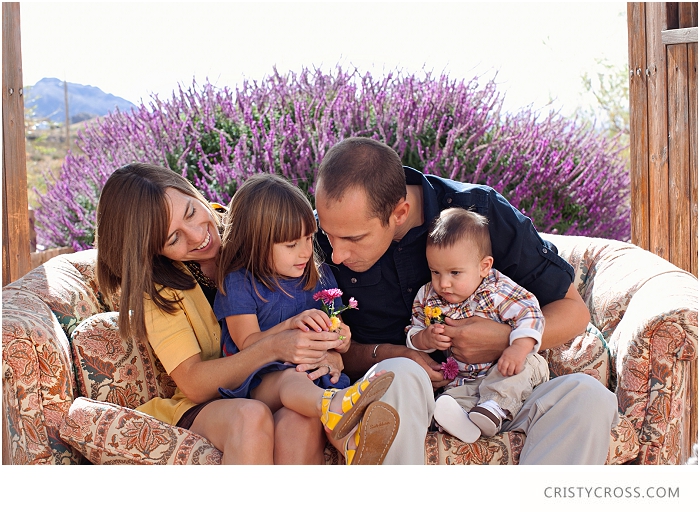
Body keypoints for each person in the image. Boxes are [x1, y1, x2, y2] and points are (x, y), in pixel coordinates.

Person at [314, 136, 620, 464]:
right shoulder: (319, 244)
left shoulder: (480, 212)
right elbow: (331, 353)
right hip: (397, 398)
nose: (337, 253)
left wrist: (503, 340)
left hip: (492, 395)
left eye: (354, 239)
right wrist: (391, 353)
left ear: (400, 212)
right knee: (400, 374)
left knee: (588, 399)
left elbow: (573, 311)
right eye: (328, 233)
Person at [95, 163, 396, 465]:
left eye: (191, 212)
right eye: (173, 238)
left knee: (301, 419)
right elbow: (196, 384)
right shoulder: (157, 289)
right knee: (250, 416)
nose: (198, 234)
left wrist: (329, 352)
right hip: (217, 401)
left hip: (285, 382)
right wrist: (278, 346)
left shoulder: (253, 227)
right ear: (151, 248)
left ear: (191, 191)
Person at [213, 174, 398, 464]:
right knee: (293, 379)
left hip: (315, 379)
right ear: (255, 244)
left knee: (310, 409)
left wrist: (341, 339)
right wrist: (289, 326)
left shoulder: (318, 273)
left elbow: (336, 334)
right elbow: (247, 343)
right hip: (262, 384)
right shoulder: (241, 282)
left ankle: (353, 445)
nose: (304, 251)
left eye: (309, 238)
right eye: (290, 245)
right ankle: (336, 408)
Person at [406, 207, 549, 443]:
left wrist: (518, 348)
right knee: (449, 398)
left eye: (455, 273)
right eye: (435, 271)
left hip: (506, 368)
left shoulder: (496, 289)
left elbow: (530, 312)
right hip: (466, 379)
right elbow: (413, 331)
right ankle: (462, 421)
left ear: (484, 266)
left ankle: (494, 408)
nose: (444, 283)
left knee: (528, 365)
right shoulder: (428, 296)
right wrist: (425, 339)